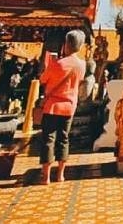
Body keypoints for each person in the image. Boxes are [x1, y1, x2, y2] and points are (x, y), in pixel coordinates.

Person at [38, 30, 86, 185]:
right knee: (64, 139)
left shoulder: (58, 64)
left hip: (53, 105)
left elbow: (43, 79)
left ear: (66, 44)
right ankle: (60, 175)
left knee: (48, 139)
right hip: (69, 106)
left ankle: (46, 176)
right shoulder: (82, 65)